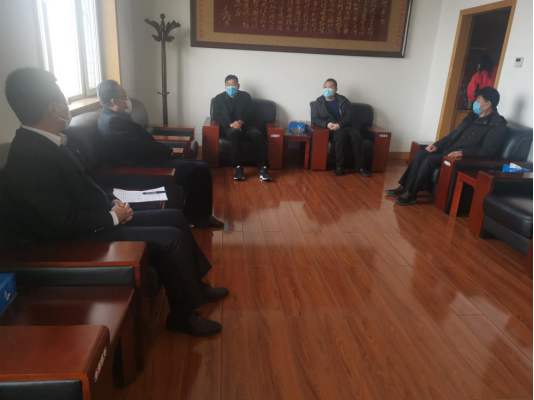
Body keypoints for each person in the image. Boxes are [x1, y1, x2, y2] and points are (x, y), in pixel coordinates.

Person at [3, 68, 229, 337]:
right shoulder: (29, 158)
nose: (66, 105)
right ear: (53, 108)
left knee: (174, 217)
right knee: (170, 238)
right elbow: (62, 223)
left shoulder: (54, 140)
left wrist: (113, 201)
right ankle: (182, 315)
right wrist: (112, 217)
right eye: (63, 99)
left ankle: (197, 289)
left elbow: (89, 182)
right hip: (80, 236)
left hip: (99, 216)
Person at [96, 80, 224, 229]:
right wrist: (166, 150)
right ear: (114, 101)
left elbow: (139, 145)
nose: (127, 98)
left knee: (202, 166)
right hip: (140, 170)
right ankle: (199, 216)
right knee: (200, 170)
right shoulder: (112, 122)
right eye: (124, 95)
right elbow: (139, 149)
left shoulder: (114, 116)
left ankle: (194, 214)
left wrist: (164, 150)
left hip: (145, 161)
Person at [386, 87, 507, 206]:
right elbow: (453, 134)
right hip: (449, 150)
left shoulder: (497, 125)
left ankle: (411, 194)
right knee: (420, 154)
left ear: (487, 104)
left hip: (463, 157)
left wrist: (463, 153)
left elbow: (488, 151)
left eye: (478, 100)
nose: (475, 103)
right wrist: (436, 145)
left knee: (430, 159)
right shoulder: (472, 117)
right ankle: (404, 187)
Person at [212, 75, 272, 182]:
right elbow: (216, 115)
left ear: (238, 85)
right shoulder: (219, 98)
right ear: (225, 86)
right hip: (230, 127)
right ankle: (238, 168)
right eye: (228, 84)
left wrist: (240, 122)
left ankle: (263, 169)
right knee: (235, 133)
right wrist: (231, 124)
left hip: (246, 126)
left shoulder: (245, 96)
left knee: (258, 135)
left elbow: (250, 112)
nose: (230, 86)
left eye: (233, 84)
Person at [311, 79, 370, 178]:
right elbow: (314, 119)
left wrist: (340, 124)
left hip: (347, 125)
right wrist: (327, 124)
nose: (327, 89)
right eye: (325, 87)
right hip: (332, 127)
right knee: (340, 137)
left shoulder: (343, 100)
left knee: (357, 138)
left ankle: (360, 167)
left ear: (336, 90)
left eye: (330, 87)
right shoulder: (319, 102)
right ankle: (340, 167)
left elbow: (350, 115)